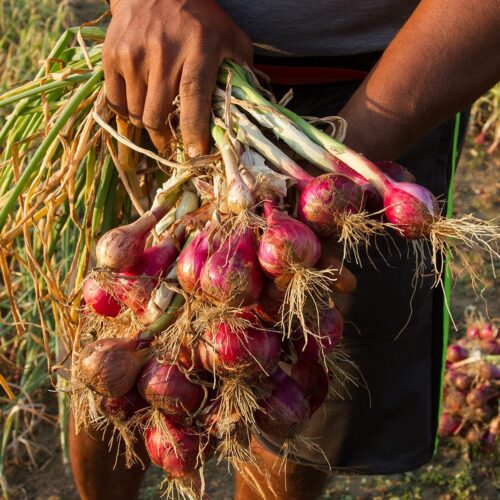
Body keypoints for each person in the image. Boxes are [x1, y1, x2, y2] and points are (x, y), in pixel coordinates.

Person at [69, 1, 500, 499]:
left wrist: (326, 186)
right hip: (157, 59)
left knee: (297, 383)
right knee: (108, 342)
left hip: (400, 76)